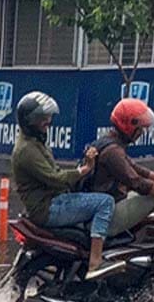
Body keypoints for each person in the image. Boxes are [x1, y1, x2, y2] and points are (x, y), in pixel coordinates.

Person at [11, 91, 120, 279]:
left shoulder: (35, 142)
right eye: (42, 118)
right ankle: (96, 261)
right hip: (50, 207)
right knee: (105, 202)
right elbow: (55, 178)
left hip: (50, 202)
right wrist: (84, 170)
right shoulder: (27, 150)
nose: (48, 121)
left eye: (48, 117)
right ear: (30, 121)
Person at [87, 98, 154, 264]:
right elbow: (139, 184)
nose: (142, 133)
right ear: (129, 126)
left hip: (104, 207)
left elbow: (141, 171)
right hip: (106, 217)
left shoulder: (110, 144)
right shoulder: (113, 152)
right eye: (140, 129)